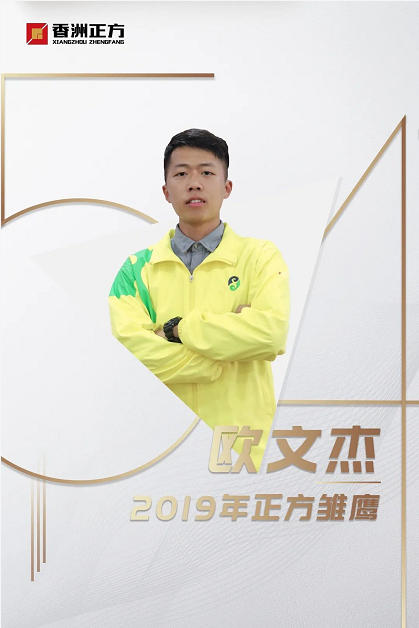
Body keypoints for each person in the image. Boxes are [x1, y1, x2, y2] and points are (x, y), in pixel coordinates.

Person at [108, 128, 290, 470]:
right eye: (181, 174)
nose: (194, 183)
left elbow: (271, 334)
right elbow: (127, 357)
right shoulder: (136, 269)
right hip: (160, 450)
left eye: (206, 172)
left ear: (227, 187)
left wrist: (176, 331)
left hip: (242, 448)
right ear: (166, 191)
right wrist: (220, 356)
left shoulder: (260, 257)